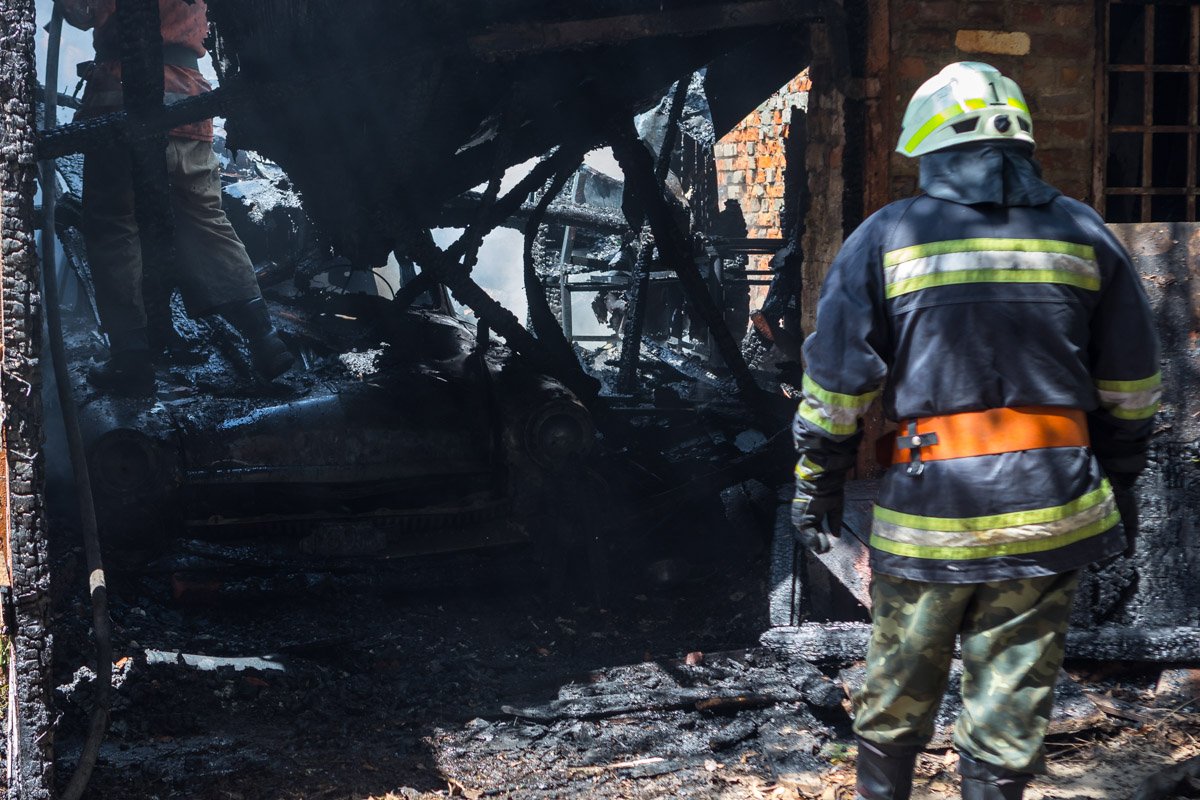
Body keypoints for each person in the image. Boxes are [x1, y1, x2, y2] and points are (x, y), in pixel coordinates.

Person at [789, 62, 1160, 800]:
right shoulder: (1084, 231)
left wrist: (816, 481)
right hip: (1053, 513)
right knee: (1009, 711)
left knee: (895, 695)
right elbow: (1133, 388)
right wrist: (1118, 479)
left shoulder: (889, 235)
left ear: (928, 148)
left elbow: (836, 384)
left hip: (932, 518)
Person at [59, 0, 294, 394]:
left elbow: (80, 13)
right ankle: (264, 338)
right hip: (188, 98)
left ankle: (131, 359)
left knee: (114, 225)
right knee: (205, 217)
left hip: (119, 97)